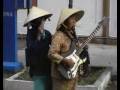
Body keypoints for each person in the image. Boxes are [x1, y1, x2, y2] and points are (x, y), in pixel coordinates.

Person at [48, 8, 90, 90]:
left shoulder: (72, 35)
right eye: (72, 18)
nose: (74, 21)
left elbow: (74, 50)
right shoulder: (58, 36)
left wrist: (82, 47)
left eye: (75, 19)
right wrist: (65, 60)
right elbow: (51, 54)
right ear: (65, 21)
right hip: (60, 76)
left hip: (72, 75)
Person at [23, 6, 52, 90]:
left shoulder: (47, 34)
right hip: (37, 70)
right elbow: (33, 49)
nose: (42, 22)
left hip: (48, 68)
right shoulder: (30, 34)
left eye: (43, 20)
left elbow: (53, 48)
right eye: (40, 20)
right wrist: (38, 36)